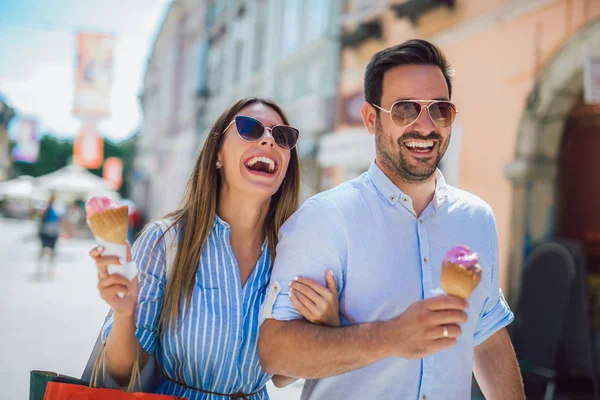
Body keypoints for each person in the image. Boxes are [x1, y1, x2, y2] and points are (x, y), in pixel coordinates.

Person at [258, 39, 525, 399]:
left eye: (440, 110)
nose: (426, 126)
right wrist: (391, 337)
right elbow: (276, 356)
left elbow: (487, 335)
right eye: (405, 110)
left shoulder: (477, 219)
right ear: (371, 119)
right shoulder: (323, 219)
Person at [89, 98, 341, 400]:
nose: (268, 139)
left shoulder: (296, 252)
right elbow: (121, 374)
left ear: (287, 165)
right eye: (250, 128)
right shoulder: (165, 241)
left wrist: (325, 327)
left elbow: (282, 375)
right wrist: (124, 314)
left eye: (282, 136)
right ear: (217, 154)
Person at [35, 193, 62, 280]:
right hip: (47, 232)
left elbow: (59, 221)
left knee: (51, 253)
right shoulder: (47, 208)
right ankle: (40, 270)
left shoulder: (57, 208)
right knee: (44, 252)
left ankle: (48, 270)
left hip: (52, 233)